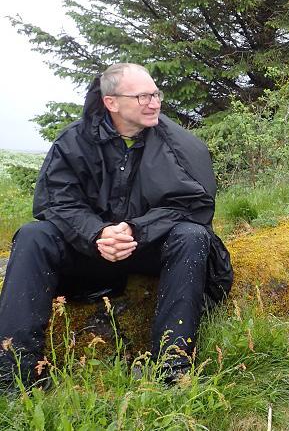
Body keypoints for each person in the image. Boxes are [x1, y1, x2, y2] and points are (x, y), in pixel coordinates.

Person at [0, 63, 233, 390]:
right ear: (111, 102)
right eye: (142, 96)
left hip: (146, 250)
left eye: (156, 94)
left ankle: (171, 366)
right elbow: (54, 201)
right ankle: (16, 375)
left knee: (192, 236)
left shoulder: (178, 145)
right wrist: (96, 233)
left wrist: (136, 231)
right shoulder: (73, 142)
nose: (154, 102)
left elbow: (192, 204)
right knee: (33, 236)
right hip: (88, 251)